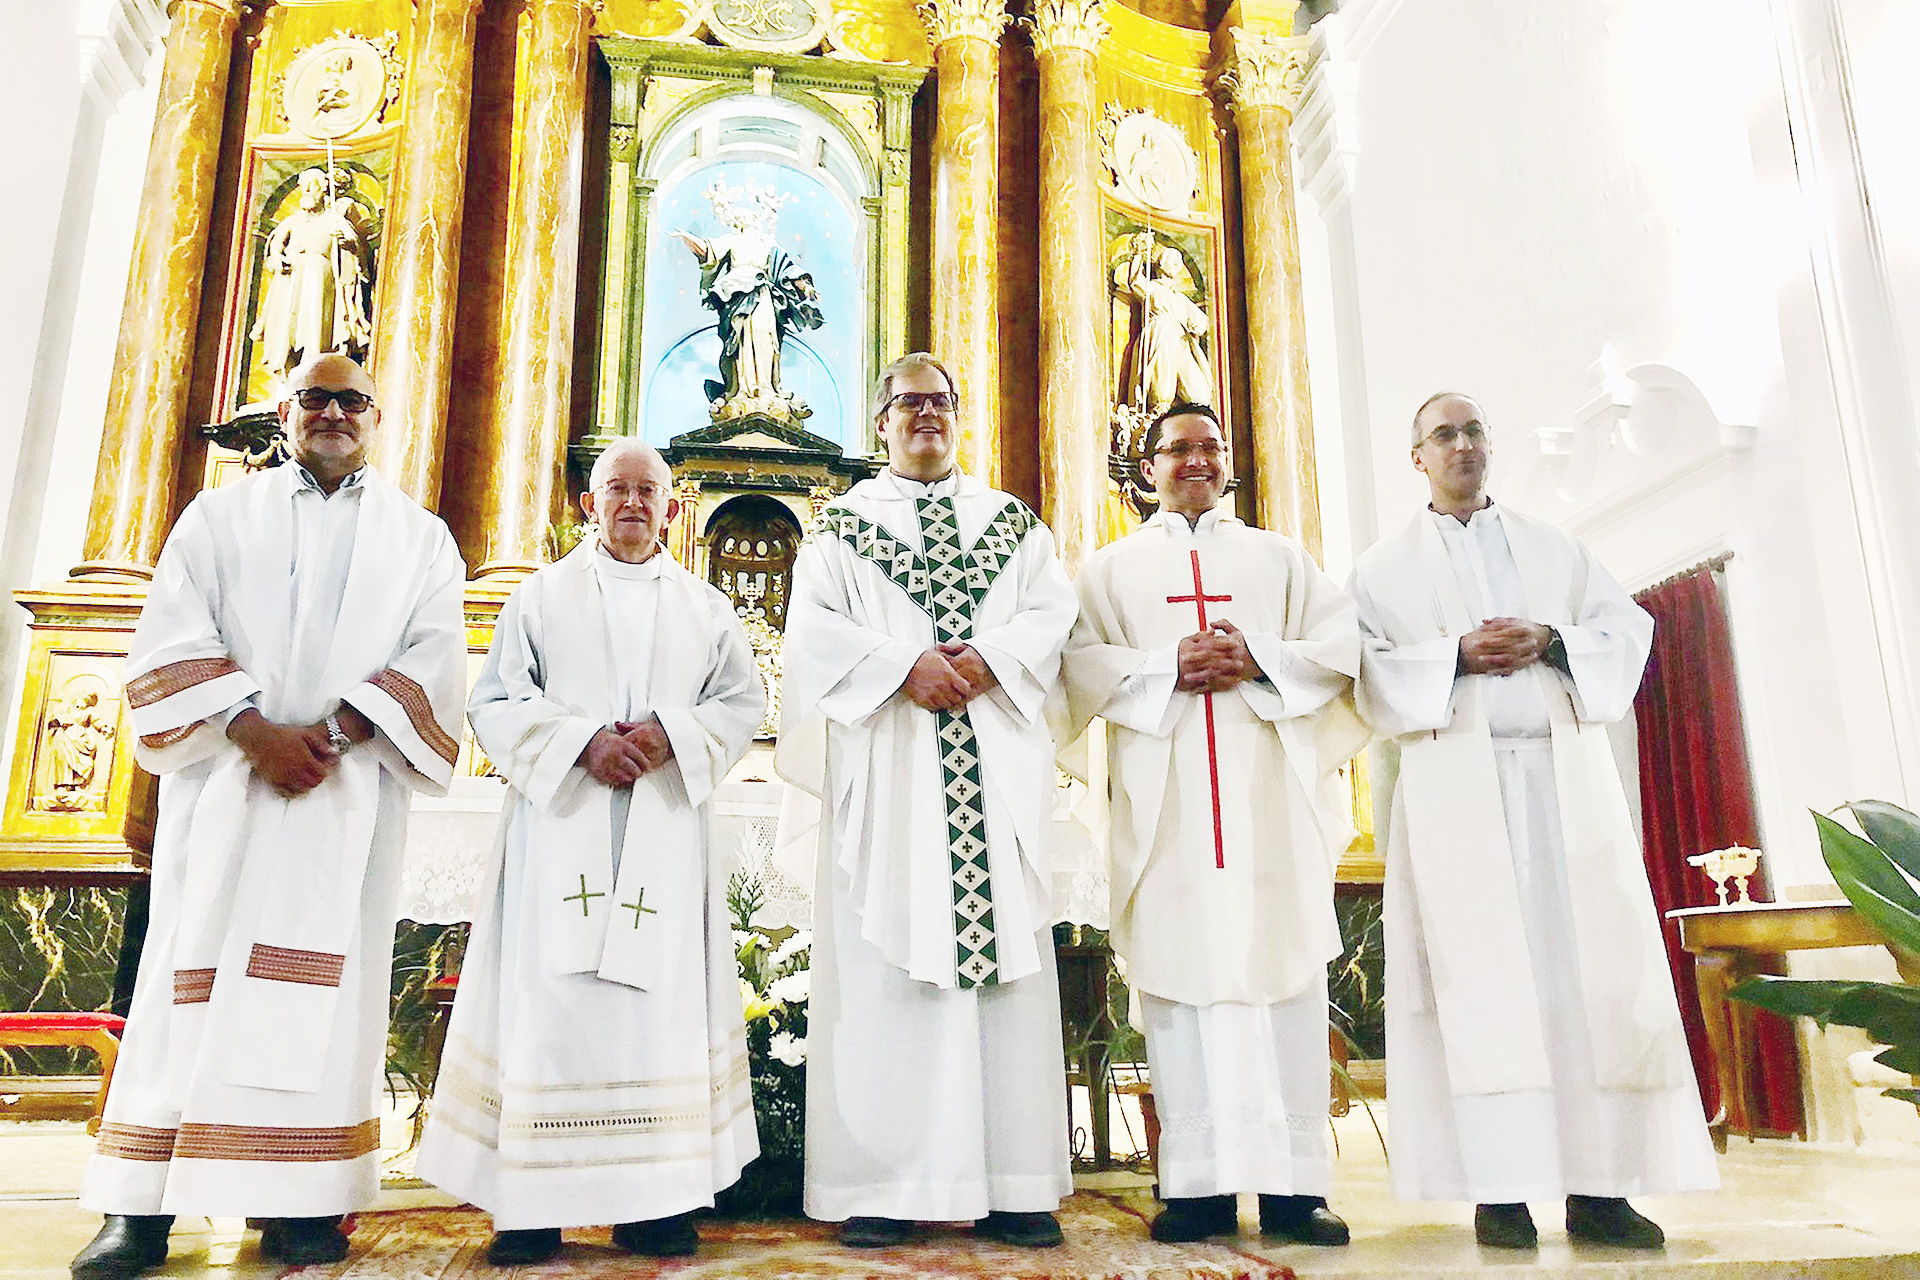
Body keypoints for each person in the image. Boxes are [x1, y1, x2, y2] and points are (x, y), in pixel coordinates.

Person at [72, 354, 467, 1278]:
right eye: (315, 398)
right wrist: (254, 733)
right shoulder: (216, 518)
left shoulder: (420, 538)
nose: (334, 412)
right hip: (226, 789)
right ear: (284, 413)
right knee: (185, 983)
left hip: (346, 796)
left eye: (352, 400)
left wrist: (329, 734)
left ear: (376, 419)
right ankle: (141, 1208)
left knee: (325, 1001)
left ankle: (299, 1201)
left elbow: (436, 654)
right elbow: (171, 634)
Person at [1349, 392, 1718, 1251]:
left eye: (1475, 430)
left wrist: (1553, 639)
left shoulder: (1557, 547)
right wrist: (1453, 656)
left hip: (1564, 789)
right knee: (1481, 992)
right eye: (1444, 434)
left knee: (1583, 983)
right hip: (1455, 796)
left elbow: (1625, 630)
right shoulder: (1381, 569)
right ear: (1417, 458)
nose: (1463, 445)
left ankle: (1601, 1189)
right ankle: (1501, 1191)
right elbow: (1360, 670)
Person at [415, 440, 765, 1265]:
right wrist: (580, 744)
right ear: (589, 503)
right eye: (617, 489)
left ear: (672, 509)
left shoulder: (707, 608)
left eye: (648, 492)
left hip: (663, 828)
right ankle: (530, 1207)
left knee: (656, 1014)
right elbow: (496, 700)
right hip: (559, 828)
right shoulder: (539, 598)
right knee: (548, 1008)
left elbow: (742, 701)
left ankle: (655, 1203)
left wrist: (670, 735)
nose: (632, 504)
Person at [777, 353, 1077, 1248]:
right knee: (885, 971)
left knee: (1006, 971)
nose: (926, 415)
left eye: (940, 401)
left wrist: (990, 660)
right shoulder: (838, 531)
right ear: (880, 423)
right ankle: (882, 1185)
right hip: (891, 777)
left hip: (993, 774)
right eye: (908, 403)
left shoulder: (1014, 524)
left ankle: (1016, 1182)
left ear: (958, 414)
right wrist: (903, 666)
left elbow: (1052, 616)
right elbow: (810, 634)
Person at [1061, 404, 1364, 1246]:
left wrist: (1257, 656)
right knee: (1178, 972)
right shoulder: (1111, 570)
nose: (1195, 461)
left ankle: (1297, 1190)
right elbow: (1077, 670)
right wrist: (1169, 664)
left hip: (1270, 803)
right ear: (1147, 468)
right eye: (1177, 450)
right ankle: (1196, 1188)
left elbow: (1344, 649)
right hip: (1168, 808)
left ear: (1228, 462)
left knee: (1284, 973)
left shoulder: (1281, 558)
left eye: (1210, 448)